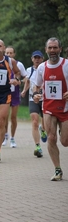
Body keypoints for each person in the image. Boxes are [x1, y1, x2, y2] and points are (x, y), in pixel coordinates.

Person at [33, 37, 68, 181]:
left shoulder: (66, 65)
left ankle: (63, 130)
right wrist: (36, 94)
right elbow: (37, 86)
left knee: (65, 141)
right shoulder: (42, 67)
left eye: (55, 48)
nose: (52, 50)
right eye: (50, 48)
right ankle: (58, 169)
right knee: (51, 138)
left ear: (60, 49)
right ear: (46, 50)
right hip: (48, 107)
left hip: (65, 108)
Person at [21, 50, 47, 158]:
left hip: (45, 99)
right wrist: (24, 91)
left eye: (39, 58)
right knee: (35, 121)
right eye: (35, 58)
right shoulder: (29, 70)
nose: (37, 60)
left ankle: (44, 130)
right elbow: (27, 81)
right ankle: (38, 147)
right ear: (32, 59)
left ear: (42, 59)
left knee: (45, 121)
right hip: (33, 99)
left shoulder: (46, 68)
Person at [2, 46, 28, 147]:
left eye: (10, 53)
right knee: (5, 117)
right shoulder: (2, 63)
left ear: (14, 54)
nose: (9, 55)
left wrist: (18, 81)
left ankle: (12, 138)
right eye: (7, 53)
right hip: (5, 93)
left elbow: (26, 78)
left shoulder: (19, 64)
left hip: (15, 94)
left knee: (13, 117)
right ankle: (5, 136)